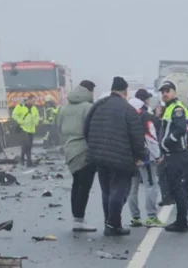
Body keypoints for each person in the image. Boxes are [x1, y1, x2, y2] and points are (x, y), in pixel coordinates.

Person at [84, 76, 146, 236]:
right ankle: (113, 224)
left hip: (98, 156)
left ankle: (109, 222)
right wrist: (140, 155)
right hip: (121, 158)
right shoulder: (128, 109)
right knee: (119, 190)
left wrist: (93, 147)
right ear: (125, 92)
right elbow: (137, 136)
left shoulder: (98, 105)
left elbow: (86, 128)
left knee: (106, 191)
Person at [58, 80, 98, 232]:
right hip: (83, 150)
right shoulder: (88, 107)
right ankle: (79, 219)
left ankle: (76, 218)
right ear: (89, 91)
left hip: (69, 149)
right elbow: (91, 130)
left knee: (76, 184)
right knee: (84, 186)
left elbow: (59, 128)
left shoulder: (64, 107)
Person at [127, 89, 165, 228]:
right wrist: (158, 155)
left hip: (130, 157)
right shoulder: (145, 116)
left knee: (133, 188)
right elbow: (150, 137)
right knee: (150, 185)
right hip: (146, 157)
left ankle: (135, 217)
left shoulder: (125, 114)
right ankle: (151, 217)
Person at [157, 82, 188, 232]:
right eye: (162, 91)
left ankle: (182, 222)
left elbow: (181, 128)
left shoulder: (177, 109)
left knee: (177, 189)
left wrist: (168, 141)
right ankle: (180, 221)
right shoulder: (168, 108)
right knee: (175, 188)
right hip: (170, 154)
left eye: (167, 91)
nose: (165, 94)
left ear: (174, 92)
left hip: (176, 154)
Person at [12, 96, 40, 166]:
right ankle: (26, 161)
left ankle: (25, 160)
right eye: (33, 101)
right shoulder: (20, 106)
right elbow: (14, 115)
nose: (34, 102)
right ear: (29, 100)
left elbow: (37, 116)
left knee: (29, 146)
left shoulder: (34, 108)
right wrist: (20, 121)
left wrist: (36, 122)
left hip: (31, 129)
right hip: (23, 129)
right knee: (26, 145)